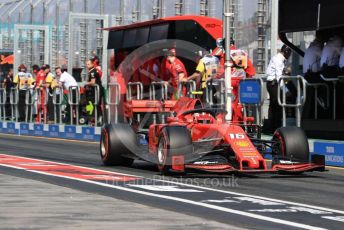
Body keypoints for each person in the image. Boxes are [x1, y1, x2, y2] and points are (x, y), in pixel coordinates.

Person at [266, 44, 292, 131]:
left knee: (273, 105)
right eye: (289, 54)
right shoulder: (278, 60)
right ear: (286, 52)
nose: (289, 56)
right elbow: (279, 77)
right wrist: (285, 90)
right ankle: (276, 127)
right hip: (274, 84)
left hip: (272, 84)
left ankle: (271, 126)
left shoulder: (278, 58)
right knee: (277, 105)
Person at [86, 59, 103, 125]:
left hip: (97, 90)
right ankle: (92, 119)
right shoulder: (91, 71)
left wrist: (86, 83)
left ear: (93, 64)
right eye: (86, 64)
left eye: (88, 64)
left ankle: (99, 119)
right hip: (93, 91)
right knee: (91, 104)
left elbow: (93, 82)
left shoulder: (93, 71)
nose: (87, 66)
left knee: (97, 104)